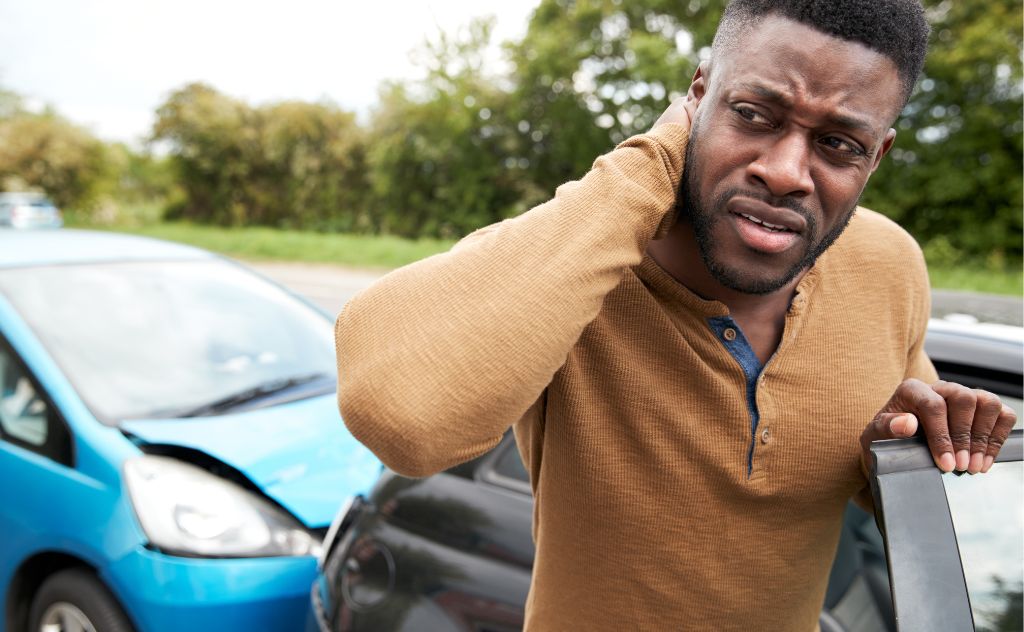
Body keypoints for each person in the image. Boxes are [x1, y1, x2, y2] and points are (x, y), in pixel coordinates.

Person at [334, 1, 1018, 629]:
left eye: (839, 144)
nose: (785, 171)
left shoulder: (890, 264)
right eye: (753, 113)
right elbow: (404, 422)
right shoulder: (580, 253)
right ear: (698, 94)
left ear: (879, 155)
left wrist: (893, 443)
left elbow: (900, 498)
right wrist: (650, 163)